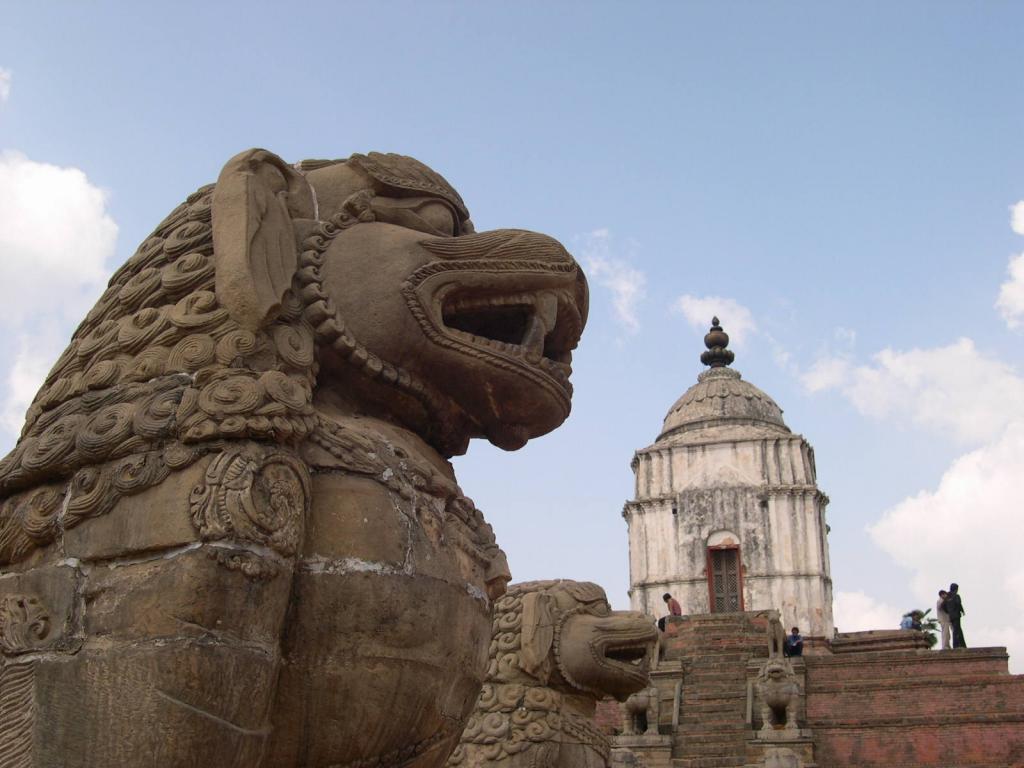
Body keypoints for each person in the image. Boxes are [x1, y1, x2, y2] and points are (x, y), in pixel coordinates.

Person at [944, 583, 966, 648]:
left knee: (957, 629)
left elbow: (944, 606)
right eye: (957, 589)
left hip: (951, 616)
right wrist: (962, 611)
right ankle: (956, 645)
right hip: (956, 615)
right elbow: (958, 603)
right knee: (956, 630)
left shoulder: (947, 597)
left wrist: (949, 611)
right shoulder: (956, 596)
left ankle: (962, 644)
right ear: (955, 589)